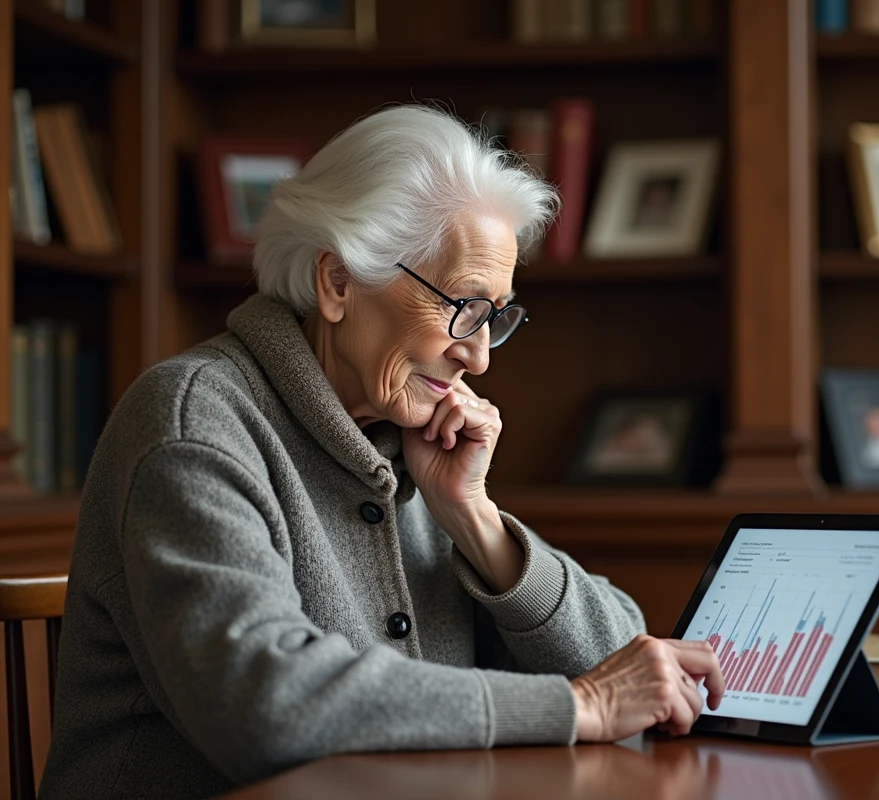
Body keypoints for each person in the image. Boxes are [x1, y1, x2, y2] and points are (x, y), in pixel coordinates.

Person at [40, 106, 724, 799]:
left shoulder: (410, 440)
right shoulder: (194, 421)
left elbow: (627, 662)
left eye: (497, 317)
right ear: (338, 283)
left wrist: (476, 522)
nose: (480, 357)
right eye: (462, 306)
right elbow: (264, 706)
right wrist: (578, 707)